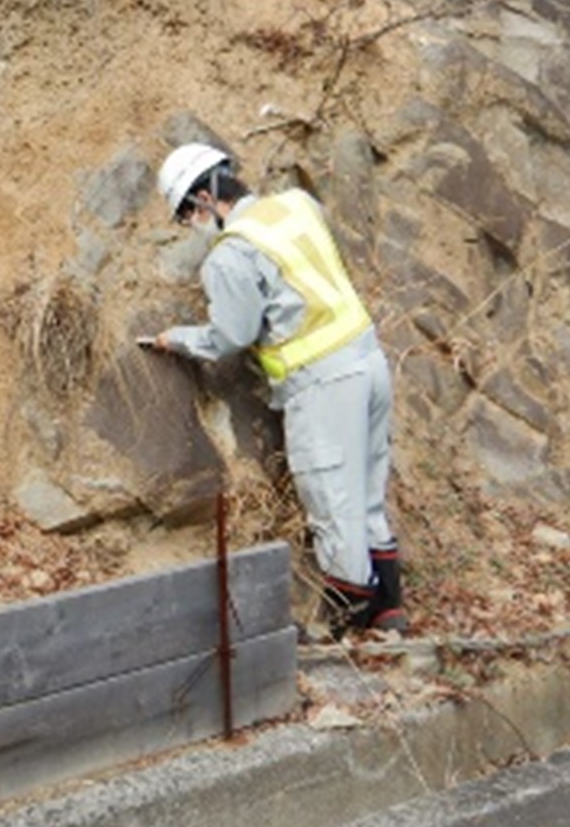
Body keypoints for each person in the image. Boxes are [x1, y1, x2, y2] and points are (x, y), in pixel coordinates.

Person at [144, 142, 408, 637]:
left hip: (322, 383)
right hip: (369, 362)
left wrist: (176, 339)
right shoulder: (297, 206)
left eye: (185, 214)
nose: (189, 226)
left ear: (204, 197)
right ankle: (390, 611)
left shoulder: (230, 256)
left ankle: (350, 626)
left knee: (333, 500)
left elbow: (233, 334)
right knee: (369, 494)